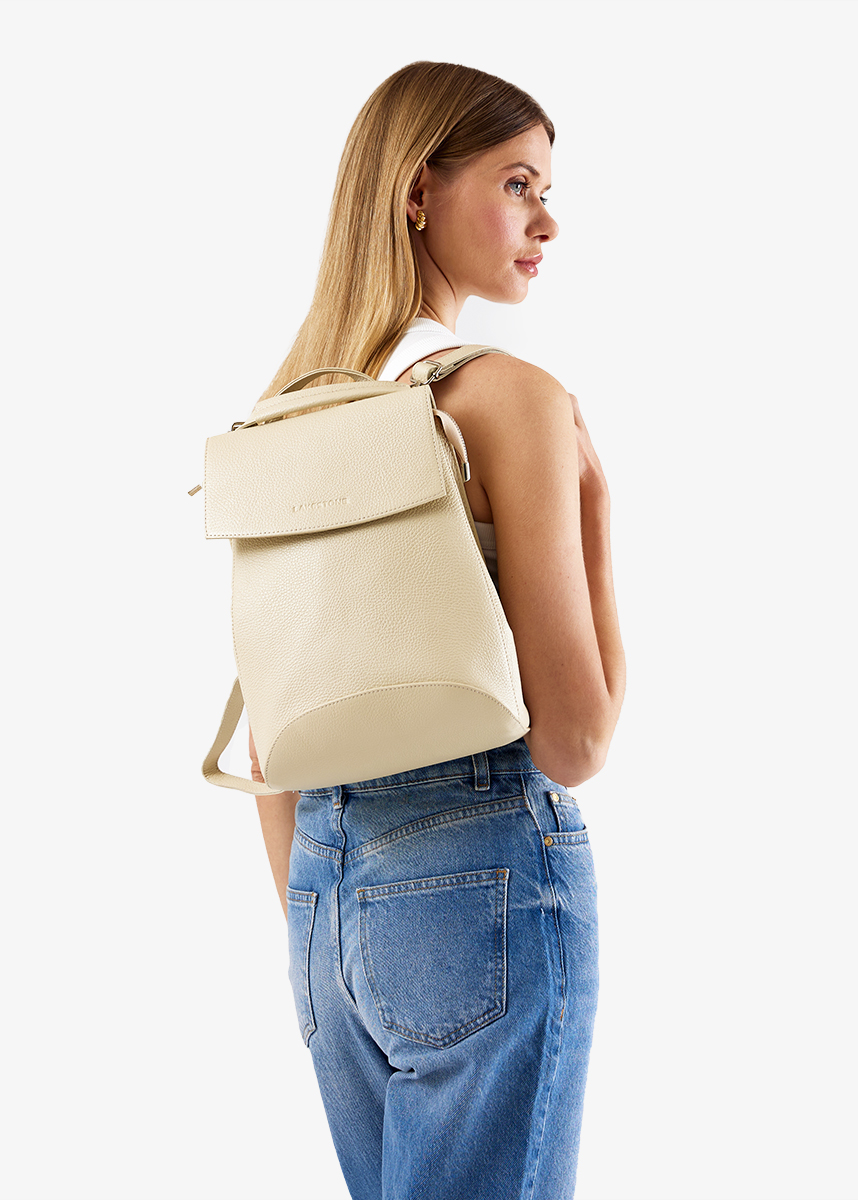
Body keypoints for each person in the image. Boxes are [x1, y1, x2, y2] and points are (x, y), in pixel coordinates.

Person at [246, 60, 625, 1200]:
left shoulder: (284, 415)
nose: (547, 222)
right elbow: (575, 742)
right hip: (482, 881)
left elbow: (273, 738)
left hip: (322, 904)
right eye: (518, 184)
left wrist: (334, 913)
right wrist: (596, 511)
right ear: (419, 190)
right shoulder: (510, 397)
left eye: (546, 191)